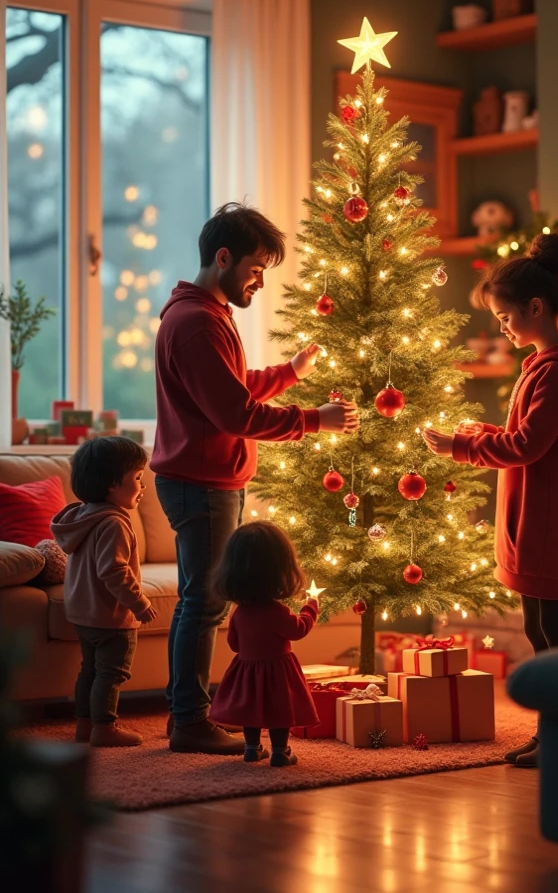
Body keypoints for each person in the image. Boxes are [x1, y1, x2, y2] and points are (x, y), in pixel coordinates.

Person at [152, 201, 359, 755]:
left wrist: (289, 374)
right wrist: (316, 421)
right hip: (202, 482)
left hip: (208, 479)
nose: (260, 283)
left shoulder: (204, 315)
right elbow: (236, 415)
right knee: (205, 603)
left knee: (202, 600)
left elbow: (233, 389)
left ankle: (184, 716)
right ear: (223, 258)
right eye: (256, 270)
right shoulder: (196, 322)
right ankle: (190, 720)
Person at [423, 232, 558, 768]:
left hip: (546, 525)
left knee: (551, 630)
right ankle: (556, 732)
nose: (499, 325)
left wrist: (461, 446)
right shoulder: (540, 371)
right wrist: (479, 430)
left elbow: (526, 445)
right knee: (536, 627)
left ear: (535, 308)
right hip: (530, 520)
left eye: (504, 316)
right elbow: (523, 434)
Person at [51, 437, 158, 748]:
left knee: (91, 670)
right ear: (113, 484)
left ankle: (85, 724)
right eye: (137, 478)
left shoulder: (83, 517)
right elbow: (113, 571)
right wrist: (138, 603)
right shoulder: (114, 523)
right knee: (111, 674)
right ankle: (105, 727)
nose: (143, 486)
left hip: (83, 614)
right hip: (111, 617)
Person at [209, 521, 319, 766]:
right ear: (280, 570)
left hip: (247, 670)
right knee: (280, 711)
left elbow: (234, 644)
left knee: (250, 710)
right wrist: (310, 608)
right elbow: (298, 630)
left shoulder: (239, 613)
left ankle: (252, 747)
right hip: (278, 671)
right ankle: (280, 751)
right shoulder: (277, 611)